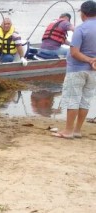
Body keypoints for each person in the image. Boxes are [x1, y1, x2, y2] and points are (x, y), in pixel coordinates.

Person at [53, 1, 96, 139]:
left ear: (83, 13)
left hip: (77, 69)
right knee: (85, 99)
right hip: (93, 71)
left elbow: (74, 52)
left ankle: (68, 130)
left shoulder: (81, 28)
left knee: (73, 99)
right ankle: (77, 130)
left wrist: (89, 60)